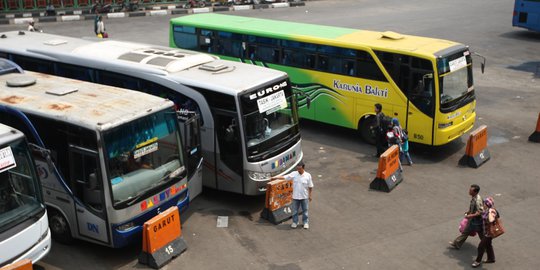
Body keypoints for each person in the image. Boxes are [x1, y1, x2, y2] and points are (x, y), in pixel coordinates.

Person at [270, 161, 313, 229]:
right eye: (297, 168)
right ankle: (295, 222)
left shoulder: (308, 175)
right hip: (295, 197)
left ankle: (305, 222)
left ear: (303, 168)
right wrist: (275, 178)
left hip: (304, 197)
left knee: (305, 210)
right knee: (294, 211)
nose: (298, 170)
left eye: (299, 169)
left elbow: (310, 186)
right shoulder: (294, 174)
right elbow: (284, 177)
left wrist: (310, 195)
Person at [449, 184, 484, 249]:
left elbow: (480, 212)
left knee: (481, 234)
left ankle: (487, 246)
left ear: (475, 192)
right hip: (472, 220)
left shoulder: (477, 200)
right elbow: (474, 208)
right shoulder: (474, 197)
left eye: (471, 190)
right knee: (466, 232)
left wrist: (471, 215)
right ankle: (457, 243)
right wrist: (468, 212)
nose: (469, 191)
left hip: (477, 222)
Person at [472, 197, 498, 268]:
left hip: (489, 233)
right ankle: (491, 258)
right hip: (485, 231)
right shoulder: (486, 210)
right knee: (488, 245)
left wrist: (490, 214)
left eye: (484, 203)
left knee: (481, 247)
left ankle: (478, 261)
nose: (483, 204)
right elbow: (482, 214)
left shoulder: (491, 211)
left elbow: (492, 219)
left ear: (487, 204)